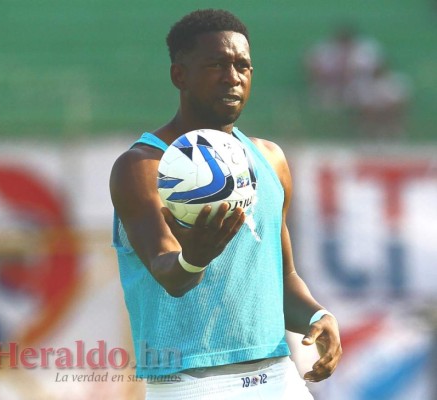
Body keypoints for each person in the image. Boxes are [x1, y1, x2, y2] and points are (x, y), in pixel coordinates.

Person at [110, 9, 342, 400]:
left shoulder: (271, 160)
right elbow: (170, 274)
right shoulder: (142, 166)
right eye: (217, 64)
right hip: (192, 385)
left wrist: (318, 315)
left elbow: (282, 278)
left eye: (242, 65)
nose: (232, 77)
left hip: (279, 377)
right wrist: (193, 259)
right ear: (179, 75)